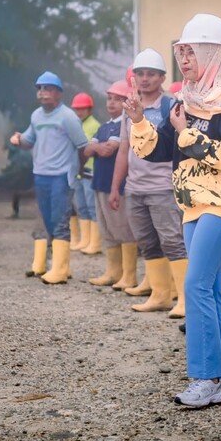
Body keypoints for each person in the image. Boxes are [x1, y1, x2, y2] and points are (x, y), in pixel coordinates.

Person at [127, 13, 221, 408]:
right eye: (180, 52)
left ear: (211, 53)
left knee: (196, 286)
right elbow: (155, 151)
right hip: (192, 206)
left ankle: (203, 377)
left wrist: (186, 133)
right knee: (210, 289)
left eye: (191, 52)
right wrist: (137, 122)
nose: (184, 60)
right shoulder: (185, 100)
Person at [110, 48, 188, 316]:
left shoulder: (170, 106)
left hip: (163, 187)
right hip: (135, 188)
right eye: (140, 74)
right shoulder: (129, 109)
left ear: (162, 77)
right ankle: (160, 295)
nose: (145, 79)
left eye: (151, 74)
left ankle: (185, 300)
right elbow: (124, 150)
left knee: (173, 241)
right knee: (148, 242)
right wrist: (116, 187)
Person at [10, 71, 88, 284]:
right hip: (41, 174)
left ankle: (60, 271)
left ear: (59, 93)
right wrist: (18, 139)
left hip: (61, 176)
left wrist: (77, 170)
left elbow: (83, 146)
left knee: (60, 220)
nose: (43, 93)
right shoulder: (36, 116)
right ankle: (62, 266)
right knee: (48, 220)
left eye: (48, 89)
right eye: (40, 89)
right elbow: (29, 140)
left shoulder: (68, 117)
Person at [86, 81, 139, 287]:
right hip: (99, 183)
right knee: (106, 229)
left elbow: (108, 149)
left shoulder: (125, 124)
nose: (112, 103)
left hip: (117, 185)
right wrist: (97, 147)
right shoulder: (104, 126)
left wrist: (96, 147)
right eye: (110, 98)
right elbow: (87, 150)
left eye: (118, 99)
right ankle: (113, 271)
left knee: (122, 228)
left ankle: (129, 274)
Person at [70, 92, 103, 255]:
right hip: (77, 172)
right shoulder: (75, 124)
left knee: (91, 206)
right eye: (76, 109)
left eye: (82, 109)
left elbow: (88, 150)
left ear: (89, 109)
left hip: (89, 172)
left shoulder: (94, 125)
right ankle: (85, 240)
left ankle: (95, 243)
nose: (79, 112)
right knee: (81, 206)